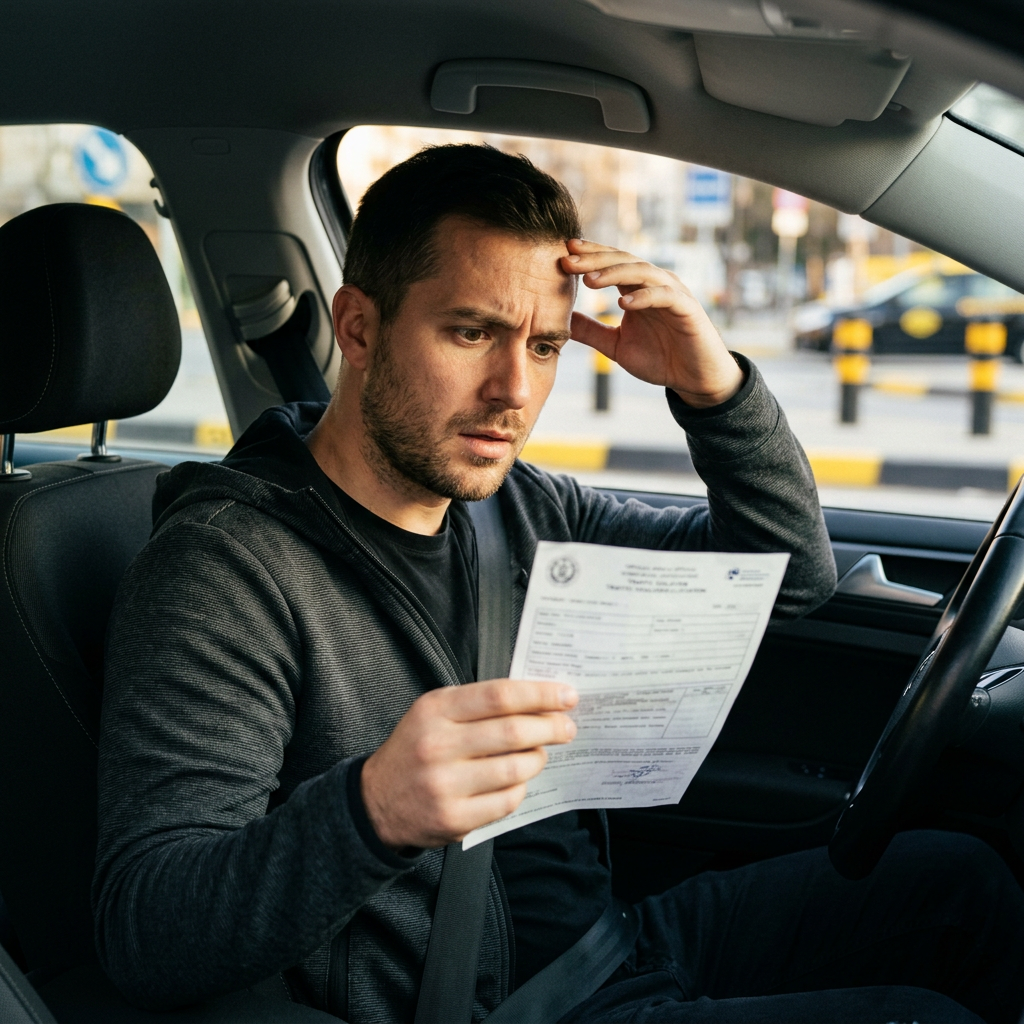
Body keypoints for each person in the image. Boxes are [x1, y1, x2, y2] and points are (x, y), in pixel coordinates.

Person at [94, 145, 1024, 1024]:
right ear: (358, 328)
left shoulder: (516, 508)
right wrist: (371, 809)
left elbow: (787, 577)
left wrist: (716, 394)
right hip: (493, 1005)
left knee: (960, 882)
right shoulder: (224, 568)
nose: (513, 390)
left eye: (544, 347)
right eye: (473, 332)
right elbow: (148, 930)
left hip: (613, 943)